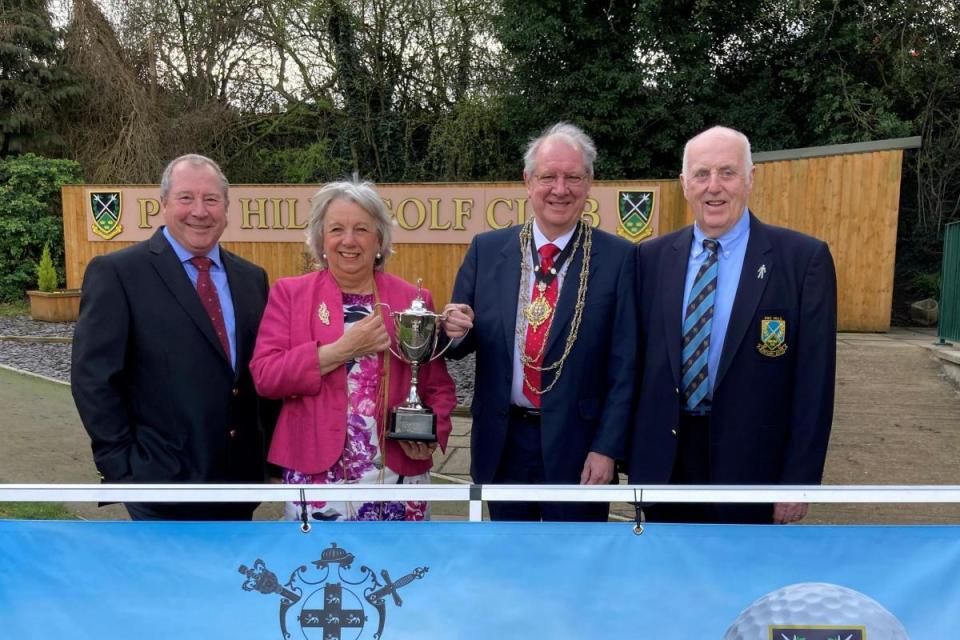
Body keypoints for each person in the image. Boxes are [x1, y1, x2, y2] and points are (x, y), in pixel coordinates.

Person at [628, 126, 837, 524]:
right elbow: (633, 366)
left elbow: (814, 386)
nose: (714, 187)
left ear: (750, 179)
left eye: (727, 173)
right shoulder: (650, 259)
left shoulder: (802, 260)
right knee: (664, 583)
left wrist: (798, 481)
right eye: (702, 174)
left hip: (753, 472)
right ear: (684, 184)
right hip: (663, 469)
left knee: (744, 585)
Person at [441, 122, 637, 522]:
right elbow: (460, 340)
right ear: (528, 182)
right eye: (548, 176)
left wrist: (608, 449)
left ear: (589, 184)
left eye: (573, 177)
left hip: (580, 449)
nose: (560, 189)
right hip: (503, 440)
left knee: (575, 570)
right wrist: (453, 329)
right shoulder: (487, 249)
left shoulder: (619, 259)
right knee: (509, 567)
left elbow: (626, 366)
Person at [71, 154, 277, 521]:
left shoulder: (252, 279)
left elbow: (258, 377)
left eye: (211, 199)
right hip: (158, 484)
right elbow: (93, 379)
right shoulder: (118, 274)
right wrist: (123, 467)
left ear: (226, 208)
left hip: (239, 484)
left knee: (234, 579)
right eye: (186, 198)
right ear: (163, 204)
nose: (200, 210)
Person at [249, 179, 455, 522]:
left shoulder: (412, 300)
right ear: (321, 239)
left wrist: (433, 434)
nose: (349, 240)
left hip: (398, 471)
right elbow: (266, 377)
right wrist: (341, 350)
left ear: (379, 240)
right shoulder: (290, 294)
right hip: (316, 475)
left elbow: (436, 385)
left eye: (361, 228)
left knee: (399, 571)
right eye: (336, 229)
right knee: (321, 569)